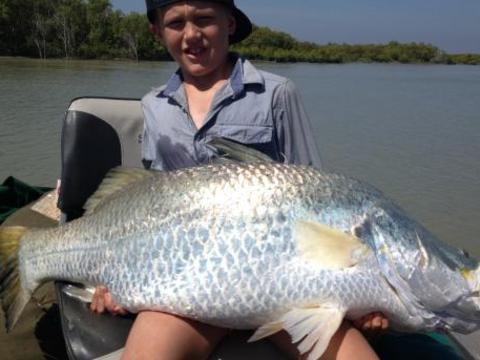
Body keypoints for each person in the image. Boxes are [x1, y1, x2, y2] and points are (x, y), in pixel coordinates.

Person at [90, 0, 388, 359]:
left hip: (283, 289)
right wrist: (113, 279)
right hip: (187, 287)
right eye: (175, 24)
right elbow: (152, 206)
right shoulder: (154, 105)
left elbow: (320, 202)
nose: (191, 35)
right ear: (157, 32)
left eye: (204, 20)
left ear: (229, 24)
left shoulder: (277, 93)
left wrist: (362, 292)